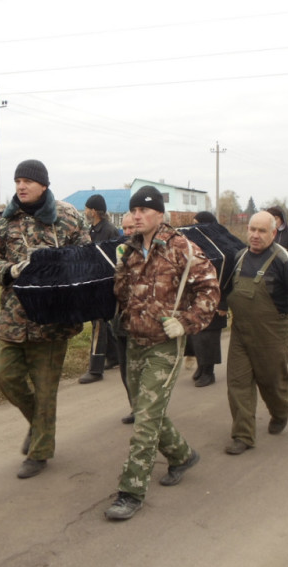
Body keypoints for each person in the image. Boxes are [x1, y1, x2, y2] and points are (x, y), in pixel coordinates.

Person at [104, 186, 219, 520]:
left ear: (158, 214)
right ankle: (182, 456)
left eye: (143, 210)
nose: (136, 215)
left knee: (145, 419)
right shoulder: (130, 249)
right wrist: (120, 266)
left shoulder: (181, 247)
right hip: (135, 339)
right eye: (133, 210)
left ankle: (131, 491)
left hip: (165, 344)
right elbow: (121, 292)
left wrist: (185, 322)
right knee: (144, 407)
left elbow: (209, 288)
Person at [0, 160, 89, 479]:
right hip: (13, 315)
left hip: (53, 319)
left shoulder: (68, 217)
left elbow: (86, 257)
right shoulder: (3, 219)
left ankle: (39, 452)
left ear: (43, 184)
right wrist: (8, 272)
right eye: (17, 181)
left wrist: (63, 274)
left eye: (27, 181)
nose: (20, 187)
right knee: (4, 375)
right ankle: (38, 424)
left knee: (45, 390)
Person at [224, 211, 288, 455]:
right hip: (240, 333)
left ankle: (280, 411)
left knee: (272, 382)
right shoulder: (239, 257)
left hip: (272, 335)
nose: (255, 235)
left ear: (274, 233)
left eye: (262, 231)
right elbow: (225, 291)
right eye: (252, 229)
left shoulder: (283, 259)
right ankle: (243, 434)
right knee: (237, 384)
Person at [183, 211, 243, 387]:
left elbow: (230, 274)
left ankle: (209, 372)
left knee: (209, 337)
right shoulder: (198, 244)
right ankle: (201, 367)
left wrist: (224, 301)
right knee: (197, 334)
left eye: (198, 224)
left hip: (217, 299)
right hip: (197, 298)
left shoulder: (224, 246)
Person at [78, 193, 121, 384]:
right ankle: (115, 356)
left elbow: (113, 259)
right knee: (102, 322)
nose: (85, 212)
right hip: (93, 283)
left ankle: (95, 370)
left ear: (94, 211)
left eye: (87, 208)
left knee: (99, 323)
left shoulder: (109, 231)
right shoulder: (92, 230)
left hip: (105, 284)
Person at [114, 212, 137, 424]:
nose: (128, 232)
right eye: (125, 228)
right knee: (125, 367)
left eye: (131, 228)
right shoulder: (117, 251)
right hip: (120, 320)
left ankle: (147, 410)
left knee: (139, 369)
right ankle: (135, 407)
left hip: (141, 322)